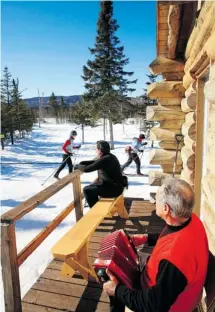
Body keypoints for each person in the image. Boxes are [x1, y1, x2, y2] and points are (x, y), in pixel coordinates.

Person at [103, 178, 209, 312]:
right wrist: (147, 238)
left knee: (111, 278)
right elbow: (172, 236)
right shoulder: (192, 220)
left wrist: (117, 290)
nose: (154, 203)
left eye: (156, 200)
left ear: (166, 209)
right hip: (169, 288)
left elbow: (154, 304)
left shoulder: (175, 260)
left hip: (162, 303)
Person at [75, 140, 124, 208]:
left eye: (96, 149)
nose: (96, 151)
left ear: (100, 150)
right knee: (92, 187)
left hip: (114, 190)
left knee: (87, 190)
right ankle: (96, 207)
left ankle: (95, 210)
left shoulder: (105, 159)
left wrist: (77, 166)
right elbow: (95, 162)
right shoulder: (110, 156)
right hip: (117, 186)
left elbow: (87, 169)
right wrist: (82, 163)